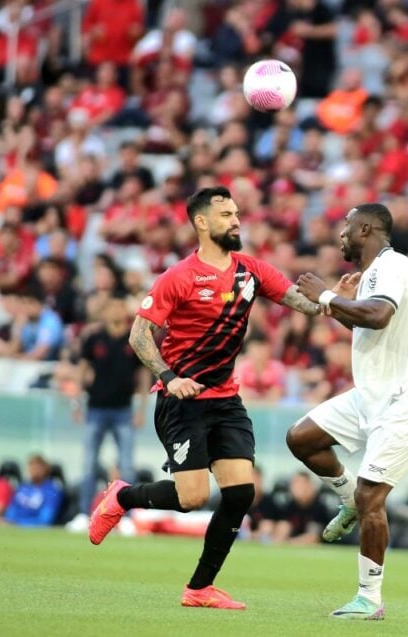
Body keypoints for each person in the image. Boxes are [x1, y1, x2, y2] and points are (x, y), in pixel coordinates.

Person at [87, 186, 323, 610]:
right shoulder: (178, 276)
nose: (236, 220)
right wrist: (169, 376)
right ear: (201, 223)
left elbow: (300, 303)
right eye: (226, 214)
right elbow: (139, 335)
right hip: (182, 401)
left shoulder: (251, 271)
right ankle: (122, 496)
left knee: (239, 494)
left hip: (226, 401)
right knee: (192, 497)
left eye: (236, 213)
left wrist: (332, 298)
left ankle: (199, 589)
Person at [289, 202, 408, 619]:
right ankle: (348, 500)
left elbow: (378, 316)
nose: (340, 233)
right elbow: (366, 322)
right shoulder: (372, 275)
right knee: (302, 438)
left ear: (365, 229)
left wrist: (323, 296)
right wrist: (336, 303)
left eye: (346, 226)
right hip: (373, 394)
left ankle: (369, 599)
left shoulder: (391, 265)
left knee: (372, 494)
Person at [69, 295, 149, 527]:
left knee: (127, 466)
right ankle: (84, 514)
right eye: (112, 306)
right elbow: (81, 370)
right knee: (89, 464)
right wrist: (76, 402)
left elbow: (144, 375)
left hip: (123, 410)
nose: (115, 311)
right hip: (96, 408)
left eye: (119, 305)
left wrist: (142, 408)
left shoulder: (133, 340)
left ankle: (129, 518)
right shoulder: (94, 339)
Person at [5, 454, 63, 527]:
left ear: (46, 469)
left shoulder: (52, 491)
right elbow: (11, 512)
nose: (35, 470)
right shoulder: (22, 488)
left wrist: (17, 523)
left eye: (38, 467)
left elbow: (45, 519)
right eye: (32, 466)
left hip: (34, 531)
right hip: (13, 528)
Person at [273, 471, 331, 544]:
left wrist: (288, 543)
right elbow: (280, 532)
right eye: (295, 483)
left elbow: (313, 538)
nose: (297, 488)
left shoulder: (319, 507)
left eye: (301, 484)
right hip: (293, 546)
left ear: (310, 486)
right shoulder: (290, 505)